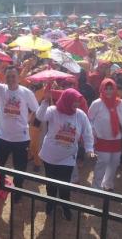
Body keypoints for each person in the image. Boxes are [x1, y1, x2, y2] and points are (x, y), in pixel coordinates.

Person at [0, 55, 39, 195]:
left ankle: (17, 192)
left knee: (20, 169)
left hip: (21, 139)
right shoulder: (1, 89)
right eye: (8, 77)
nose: (11, 79)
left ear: (18, 77)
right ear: (5, 78)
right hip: (3, 137)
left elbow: (36, 110)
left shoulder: (26, 93)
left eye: (13, 76)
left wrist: (28, 121)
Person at [36, 88, 95, 220]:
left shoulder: (80, 115)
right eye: (74, 101)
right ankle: (50, 203)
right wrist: (45, 101)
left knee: (64, 185)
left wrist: (89, 149)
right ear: (66, 100)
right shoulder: (53, 110)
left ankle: (65, 206)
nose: (77, 104)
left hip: (67, 158)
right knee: (51, 184)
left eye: (78, 101)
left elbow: (87, 133)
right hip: (50, 156)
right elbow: (40, 116)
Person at [88, 78, 122, 191]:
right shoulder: (97, 103)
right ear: (102, 89)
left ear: (115, 89)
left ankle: (108, 184)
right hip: (102, 139)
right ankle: (96, 186)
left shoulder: (120, 103)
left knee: (114, 163)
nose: (109, 91)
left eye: (111, 88)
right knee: (102, 162)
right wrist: (92, 132)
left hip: (116, 139)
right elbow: (89, 119)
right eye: (106, 89)